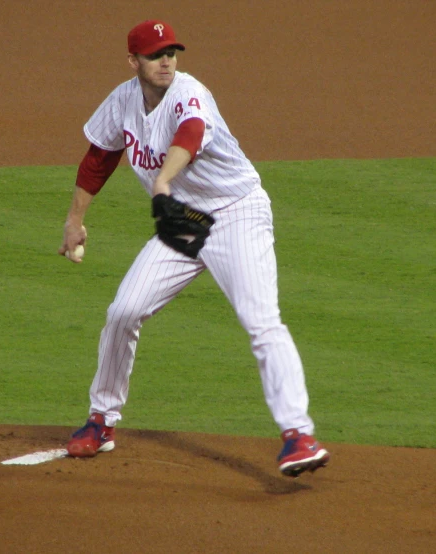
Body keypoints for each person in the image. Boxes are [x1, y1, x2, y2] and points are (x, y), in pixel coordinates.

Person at [58, 19, 329, 477]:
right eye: (155, 55)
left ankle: (298, 435)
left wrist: (162, 180)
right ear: (134, 62)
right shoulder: (122, 101)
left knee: (261, 320)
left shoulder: (190, 93)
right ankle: (101, 420)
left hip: (236, 212)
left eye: (171, 53)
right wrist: (74, 220)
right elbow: (99, 157)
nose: (166, 61)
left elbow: (191, 133)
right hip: (183, 223)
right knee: (124, 310)